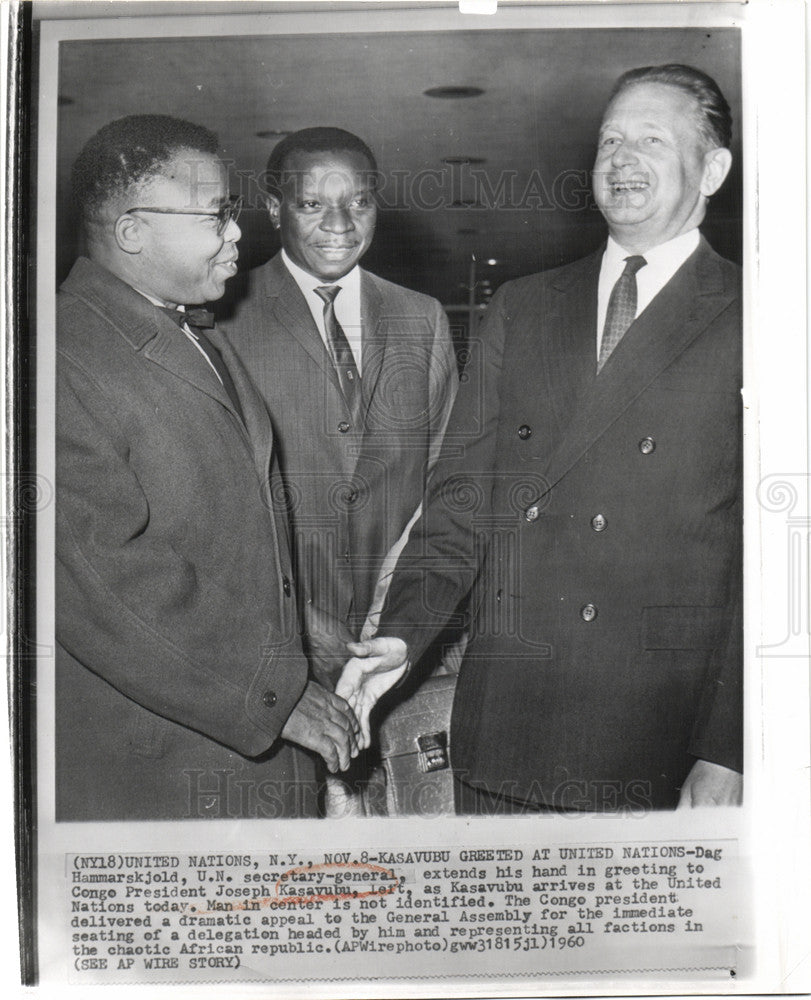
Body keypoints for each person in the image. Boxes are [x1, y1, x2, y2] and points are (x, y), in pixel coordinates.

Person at [339, 64, 743, 814]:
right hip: (507, 724)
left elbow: (770, 559)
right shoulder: (524, 307)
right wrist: (401, 633)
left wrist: (729, 748)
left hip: (656, 736)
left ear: (711, 168)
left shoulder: (756, 315)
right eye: (608, 139)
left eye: (650, 140)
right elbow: (458, 503)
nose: (620, 160)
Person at [56, 114, 359, 821]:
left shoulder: (188, 331)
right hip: (164, 777)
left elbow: (210, 530)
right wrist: (273, 690)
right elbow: (97, 575)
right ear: (133, 233)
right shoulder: (60, 355)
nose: (237, 234)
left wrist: (300, 625)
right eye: (218, 215)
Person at [222, 127, 458, 682]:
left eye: (358, 203)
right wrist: (300, 625)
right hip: (272, 638)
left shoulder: (421, 317)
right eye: (311, 204)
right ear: (274, 209)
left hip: (396, 638)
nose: (339, 226)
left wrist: (402, 618)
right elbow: (213, 509)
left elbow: (445, 481)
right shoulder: (225, 319)